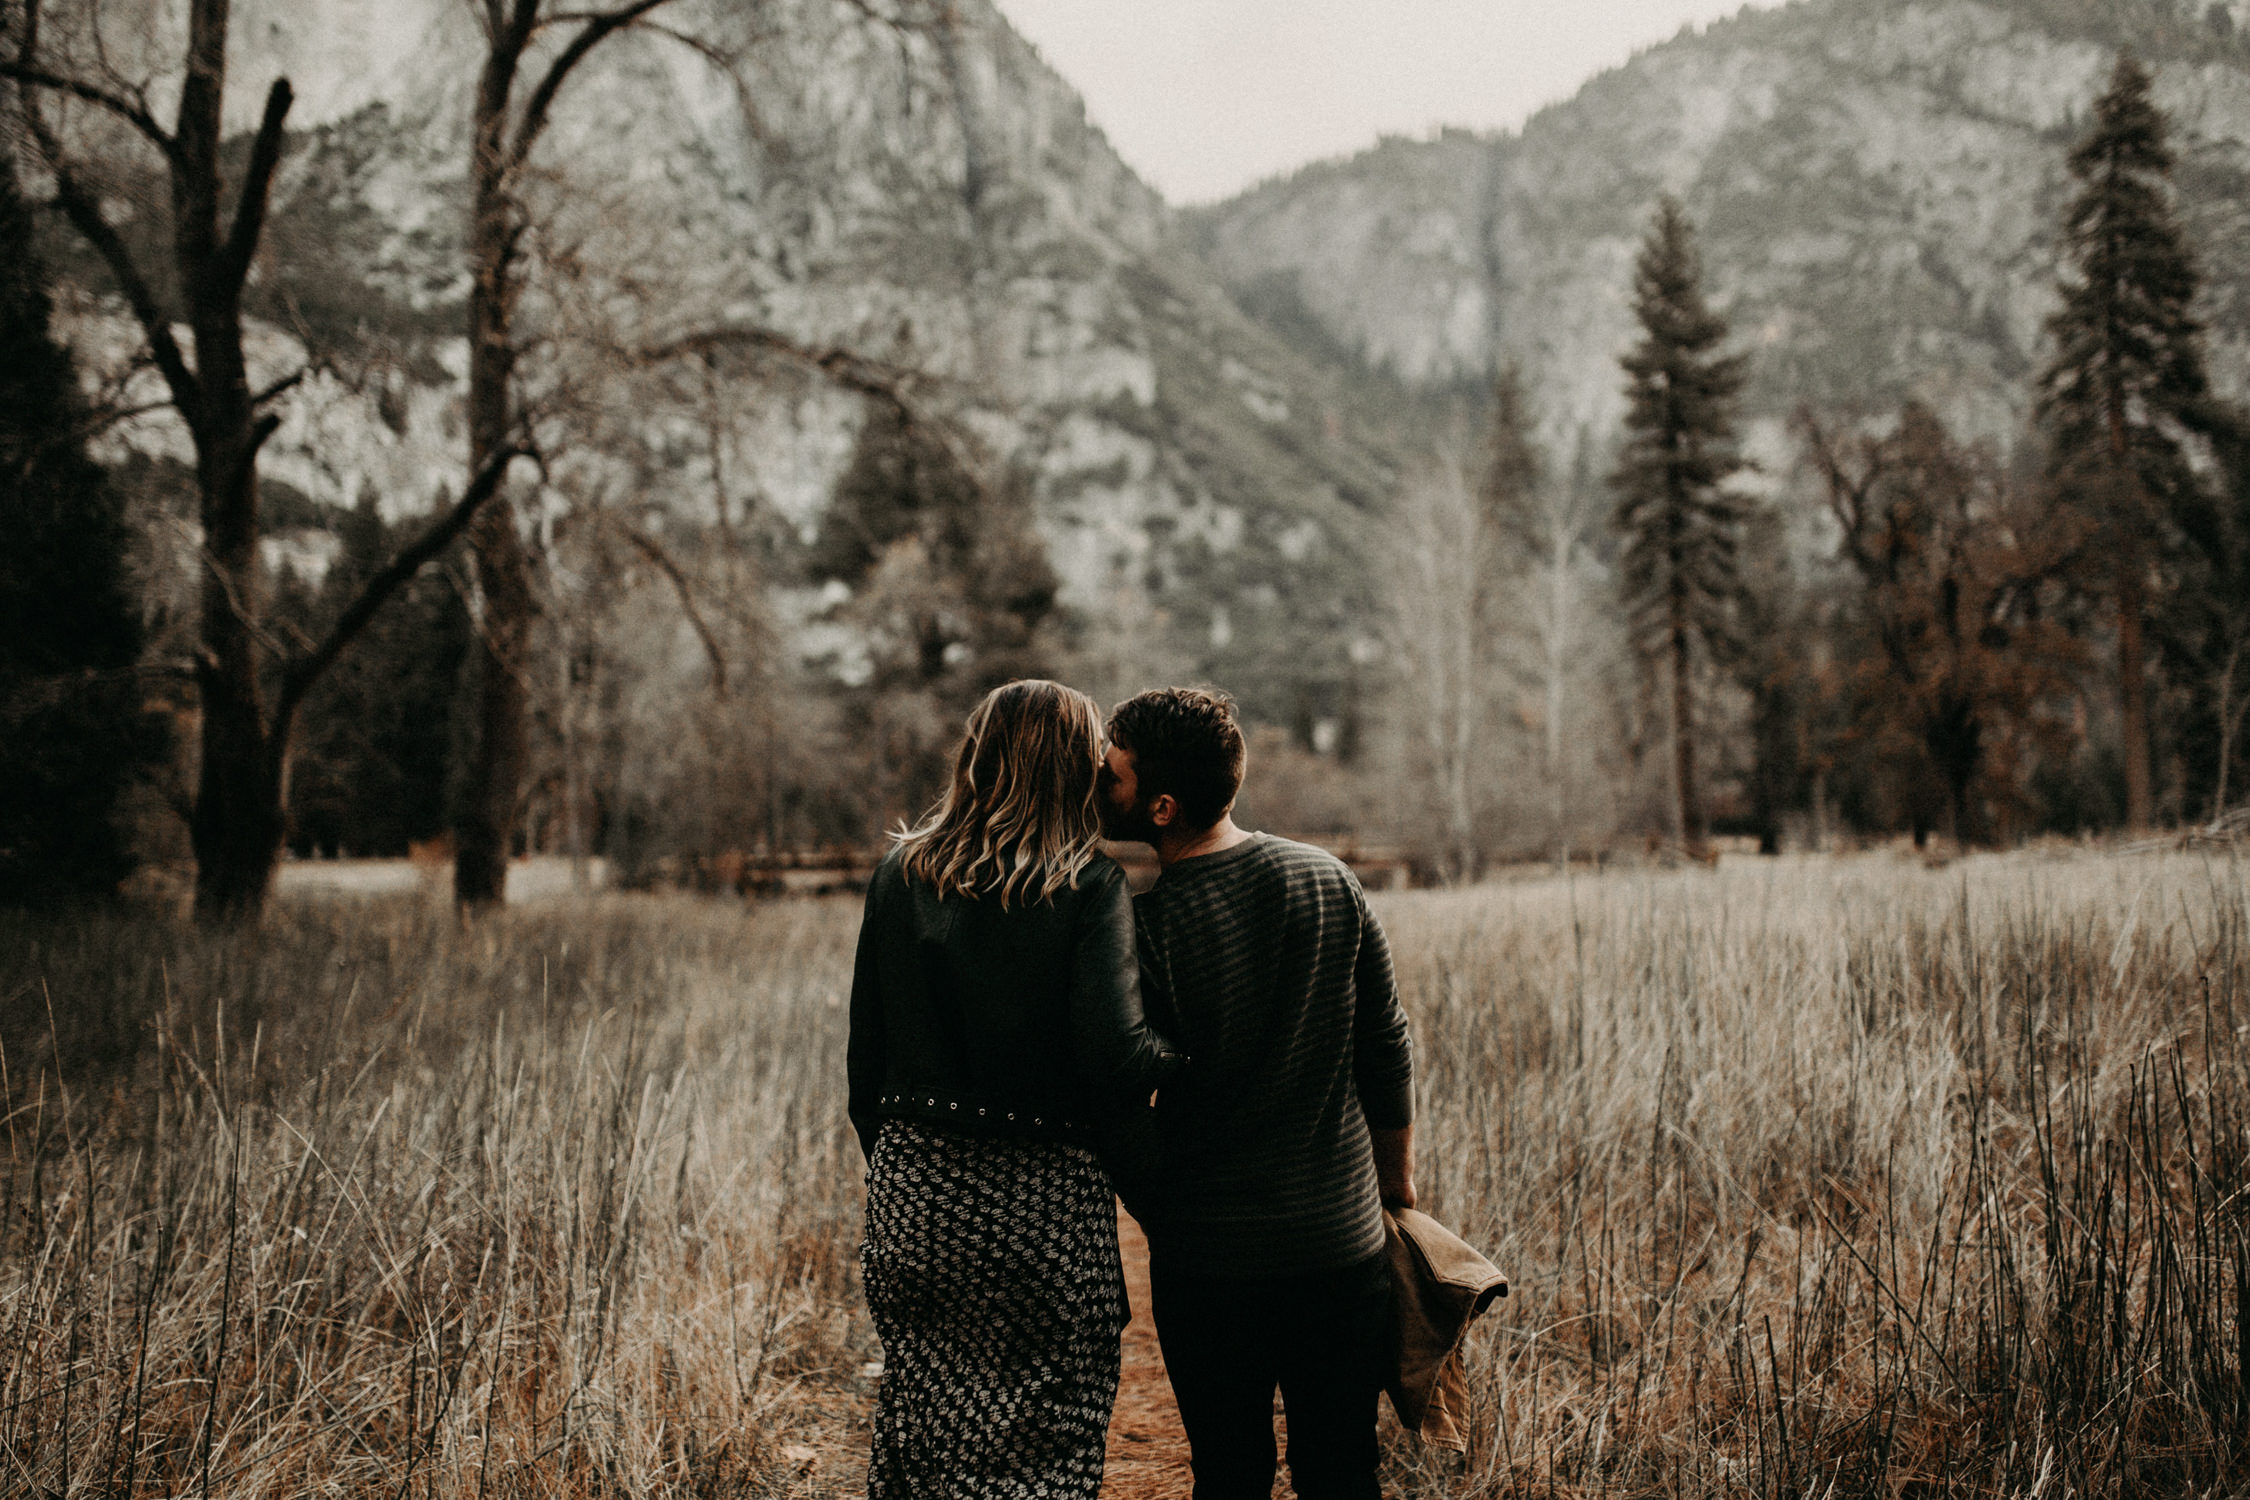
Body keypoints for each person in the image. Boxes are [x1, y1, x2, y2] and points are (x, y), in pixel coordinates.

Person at [848, 678, 1184, 1499]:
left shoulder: (900, 873)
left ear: (978, 758)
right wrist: (1189, 1051)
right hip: (1042, 1207)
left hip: (914, 1194)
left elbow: (866, 1065)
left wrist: (910, 1170)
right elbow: (1115, 1060)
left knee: (922, 1423)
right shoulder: (1088, 886)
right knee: (1042, 1436)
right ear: (1073, 770)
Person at [1099, 686, 1416, 1500]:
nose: (1100, 789)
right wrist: (1395, 1190)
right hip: (1341, 1250)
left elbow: (1118, 1097)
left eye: (1115, 778)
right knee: (1342, 1471)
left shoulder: (1147, 928)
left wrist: (1160, 1208)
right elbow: (1385, 1046)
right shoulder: (1328, 880)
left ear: (1162, 808)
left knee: (1230, 1474)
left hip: (1211, 1265)